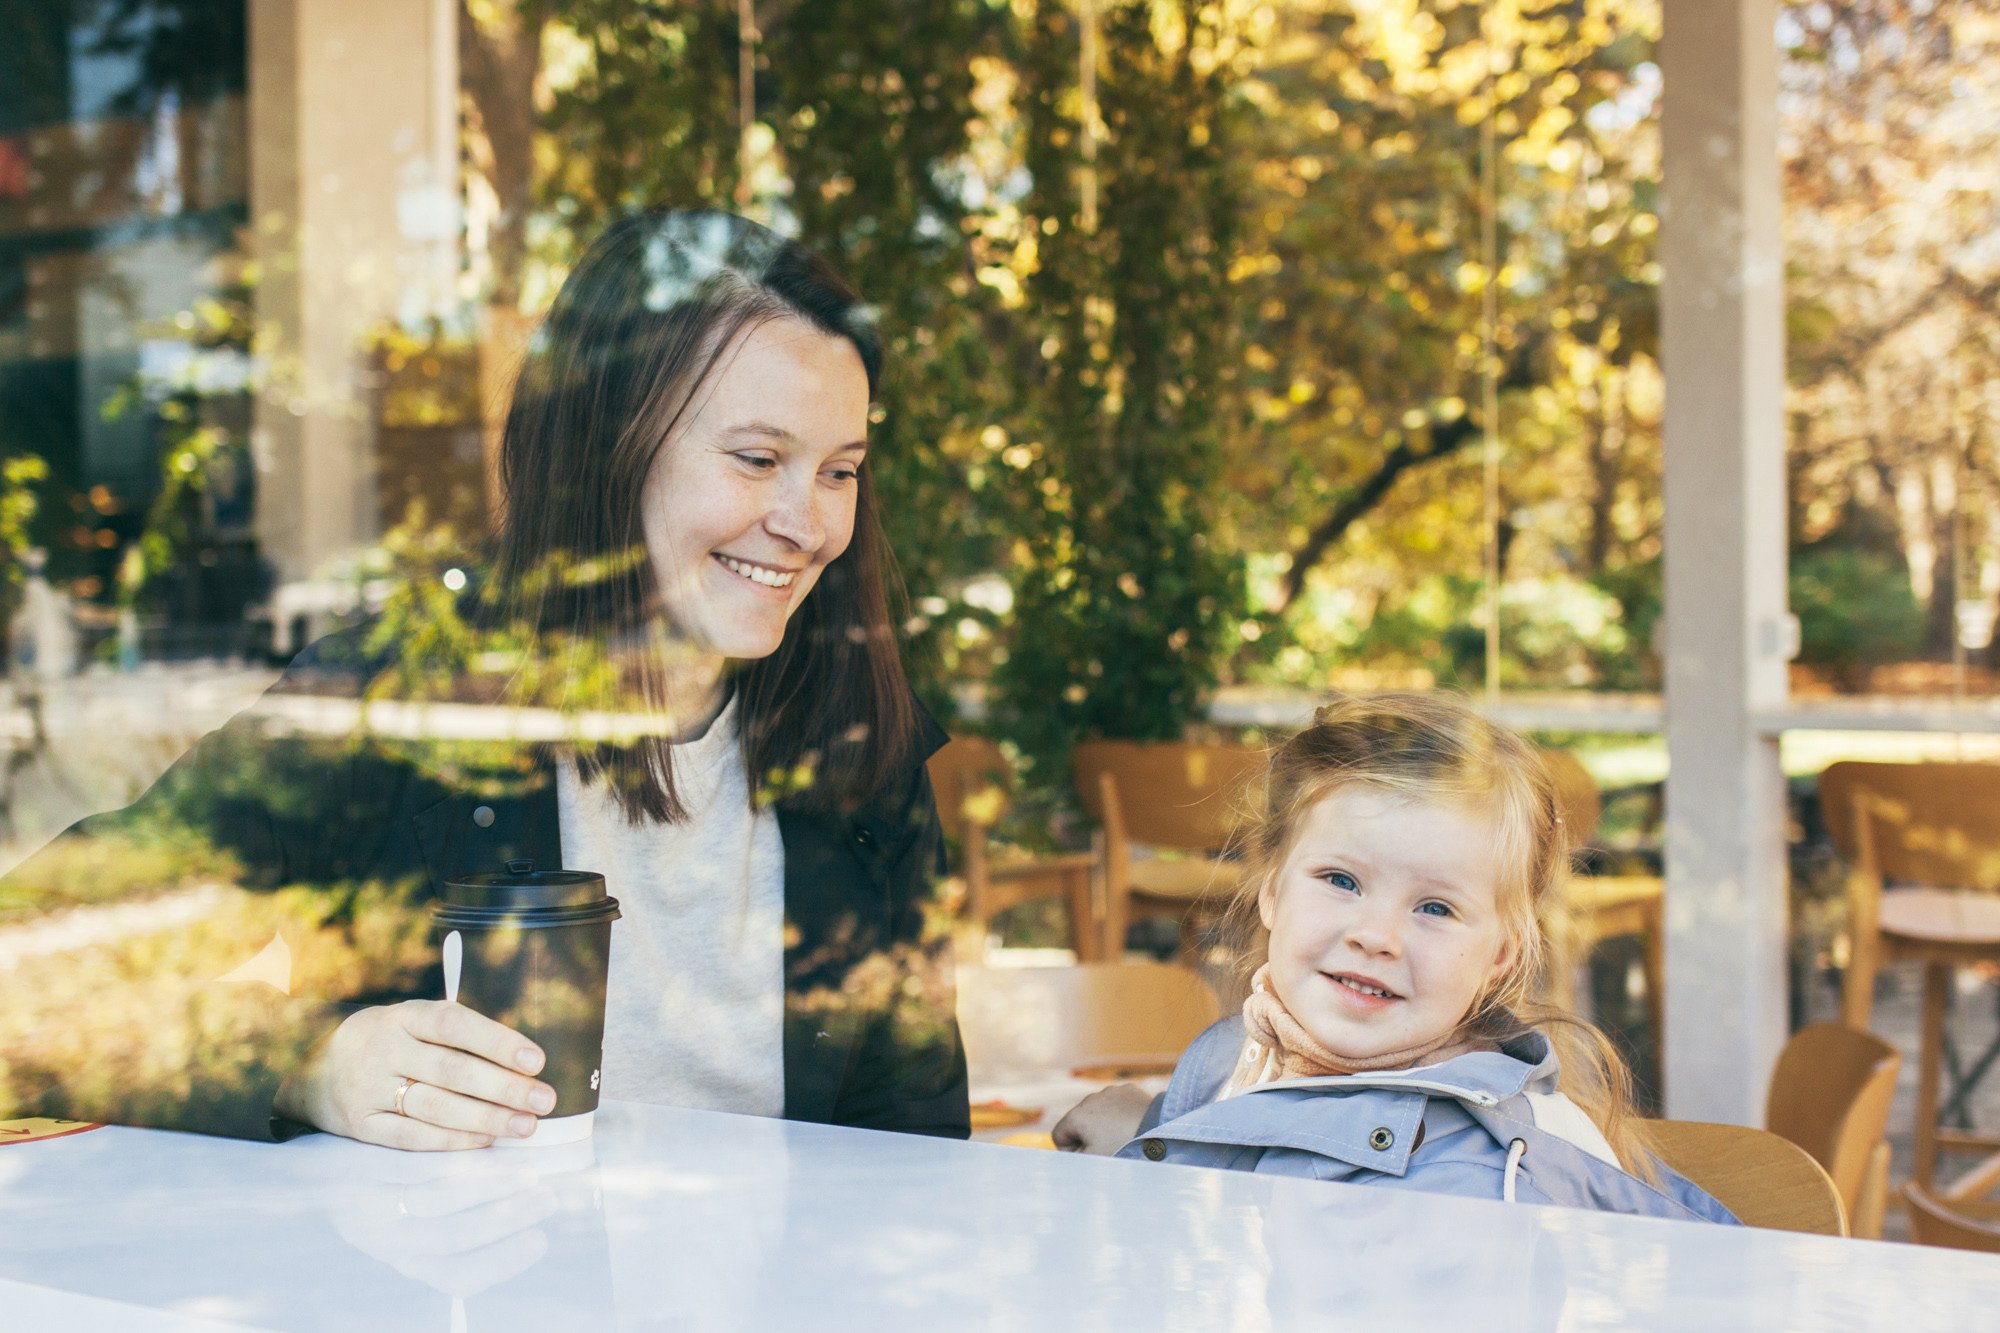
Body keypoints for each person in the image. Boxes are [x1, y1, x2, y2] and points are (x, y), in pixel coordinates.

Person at [3, 209, 968, 1147]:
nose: (809, 526)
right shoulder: (398, 705)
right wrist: (303, 1064)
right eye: (760, 459)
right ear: (608, 445)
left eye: (841, 471)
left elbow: (914, 1147)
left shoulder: (862, 749)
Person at [1052, 693, 1738, 1223]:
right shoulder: (1244, 1059)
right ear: (1271, 892)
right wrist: (1158, 1134)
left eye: (1434, 908)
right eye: (1342, 881)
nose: (1377, 936)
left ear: (1500, 955)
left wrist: (1151, 1156)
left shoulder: (1472, 1185)